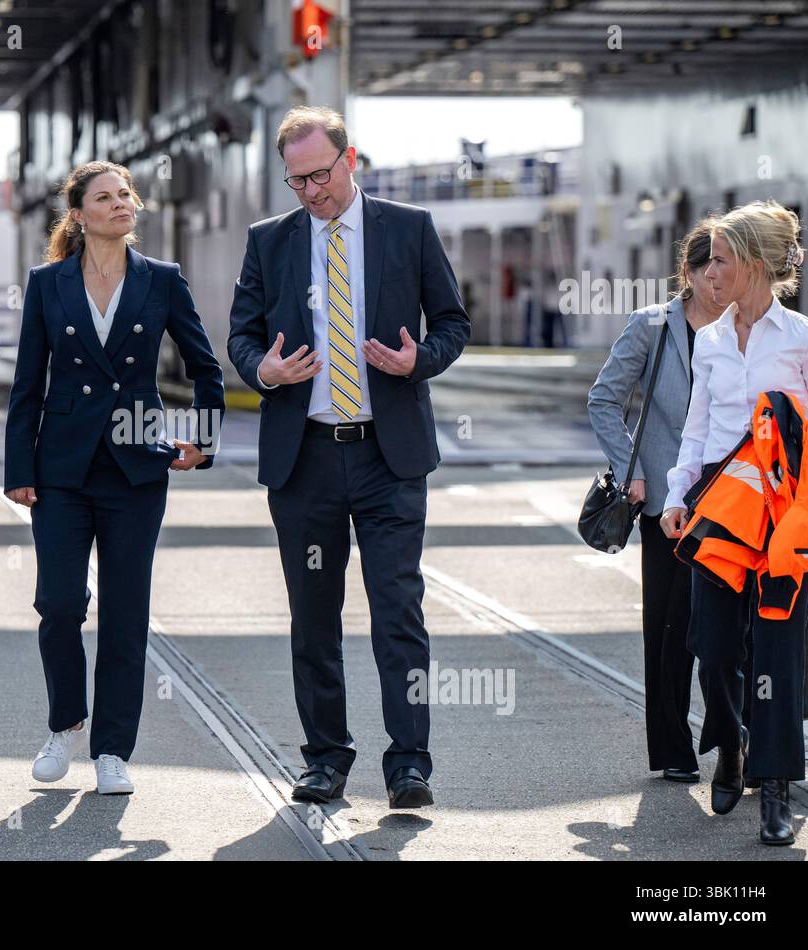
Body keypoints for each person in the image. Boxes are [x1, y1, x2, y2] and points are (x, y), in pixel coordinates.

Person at [227, 106, 470, 808]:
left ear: (349, 159)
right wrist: (264, 372)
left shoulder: (409, 229)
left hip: (386, 457)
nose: (310, 191)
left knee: (398, 611)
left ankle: (410, 763)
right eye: (296, 180)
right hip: (304, 461)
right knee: (313, 616)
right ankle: (325, 758)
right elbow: (242, 336)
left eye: (320, 175)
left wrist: (417, 360)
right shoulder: (269, 242)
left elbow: (452, 322)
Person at [4, 160, 225, 795]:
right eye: (105, 197)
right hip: (62, 468)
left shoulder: (162, 279)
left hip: (136, 464)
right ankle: (65, 724)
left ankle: (113, 751)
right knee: (59, 603)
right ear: (79, 214)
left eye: (126, 194)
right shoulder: (48, 283)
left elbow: (204, 366)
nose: (121, 203)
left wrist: (200, 442)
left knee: (127, 610)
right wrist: (20, 469)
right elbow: (28, 385)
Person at [660, 200, 808, 846]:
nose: (709, 270)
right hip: (719, 506)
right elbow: (696, 426)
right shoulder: (712, 338)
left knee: (777, 653)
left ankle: (775, 788)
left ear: (753, 265)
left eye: (721, 259)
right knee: (713, 647)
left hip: (783, 515)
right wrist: (676, 494)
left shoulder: (804, 337)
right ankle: (733, 742)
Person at [588, 218, 722, 783]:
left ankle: (735, 734)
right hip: (666, 503)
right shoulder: (653, 327)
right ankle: (671, 748)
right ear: (686, 274)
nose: (718, 280)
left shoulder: (748, 329)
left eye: (726, 269)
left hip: (733, 503)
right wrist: (633, 471)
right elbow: (604, 400)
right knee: (668, 629)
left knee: (727, 630)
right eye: (706, 269)